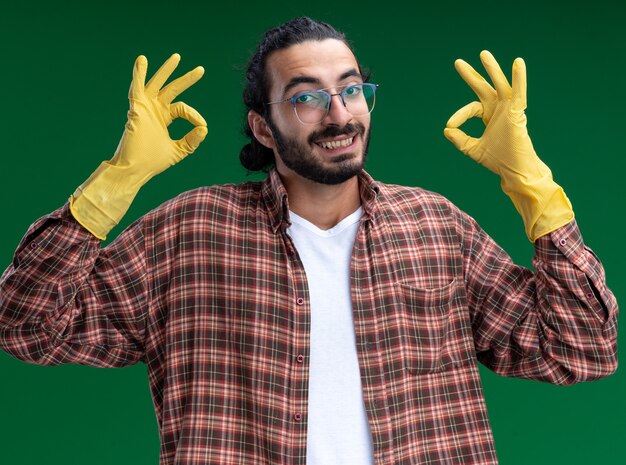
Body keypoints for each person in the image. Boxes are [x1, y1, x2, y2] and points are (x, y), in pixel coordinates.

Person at [0, 16, 618, 465]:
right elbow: (27, 326)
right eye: (307, 98)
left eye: (351, 89)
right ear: (262, 129)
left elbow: (582, 350)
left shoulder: (436, 228)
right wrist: (117, 180)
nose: (340, 114)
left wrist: (533, 183)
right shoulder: (189, 234)